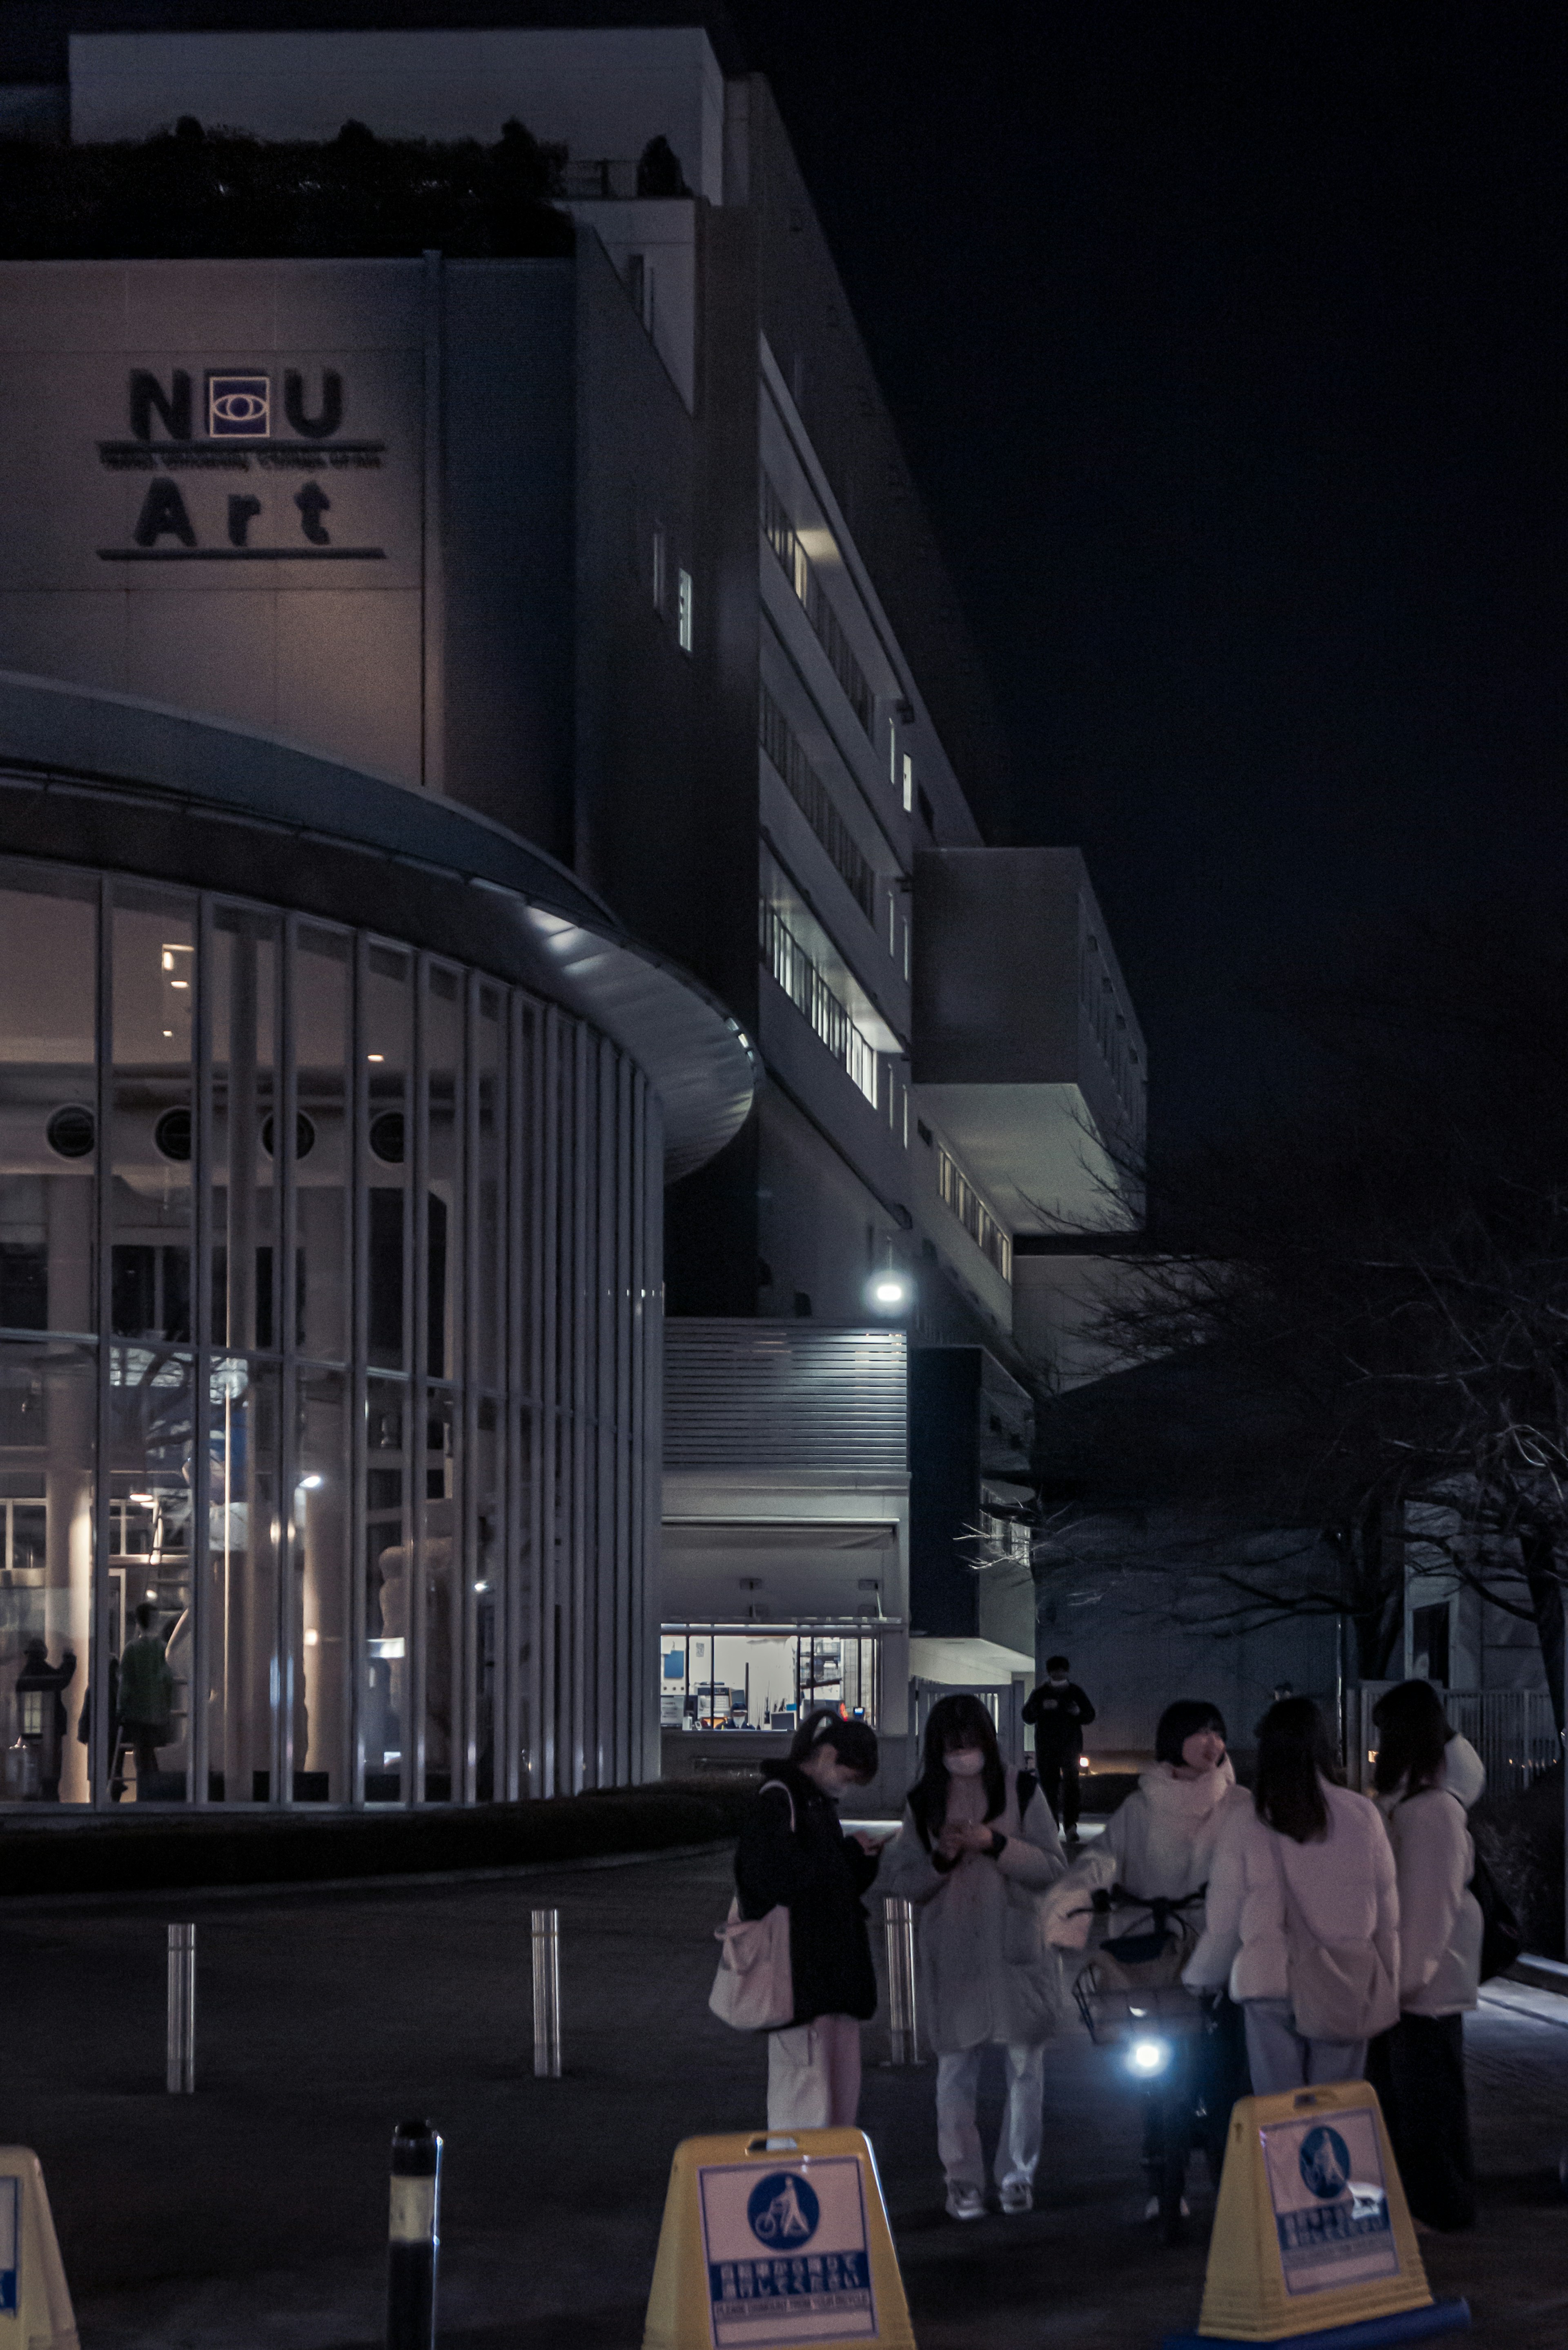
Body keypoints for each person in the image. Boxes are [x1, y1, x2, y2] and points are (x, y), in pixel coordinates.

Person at [1044, 1699, 1251, 2214]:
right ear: (1172, 1740)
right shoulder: (1140, 1807)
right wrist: (1079, 1894)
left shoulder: (1240, 1804)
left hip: (1221, 1955)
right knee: (1156, 2073)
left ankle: (1233, 2182)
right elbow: (1103, 1857)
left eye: (1218, 1732)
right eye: (1200, 1732)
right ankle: (1162, 2171)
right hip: (1155, 1960)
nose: (1213, 1743)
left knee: (1226, 2071)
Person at [881, 1694, 1067, 2220]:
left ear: (988, 1739)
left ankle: (1017, 2175)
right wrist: (941, 1857)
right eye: (952, 1743)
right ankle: (962, 2179)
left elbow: (1054, 1866)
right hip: (955, 1953)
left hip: (1017, 1953)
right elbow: (906, 1882)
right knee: (954, 2073)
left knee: (1026, 2071)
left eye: (970, 1741)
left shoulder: (1022, 1788)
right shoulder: (923, 1801)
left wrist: (994, 1842)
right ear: (936, 1746)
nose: (963, 1753)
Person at [1184, 1697, 1399, 2093]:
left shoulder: (1246, 1819)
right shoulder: (1362, 1815)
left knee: (1280, 2113)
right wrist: (1387, 1977)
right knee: (1336, 2113)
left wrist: (1203, 1977)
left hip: (1267, 1984)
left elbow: (1224, 1917)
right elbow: (1387, 1914)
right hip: (1343, 1982)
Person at [1365, 1680, 1483, 2232]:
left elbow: (1430, 1909)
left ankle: (1441, 2204)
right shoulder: (1420, 1802)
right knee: (1428, 2097)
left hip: (1422, 1987)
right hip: (1420, 1983)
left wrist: (1404, 1982)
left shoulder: (1431, 1810)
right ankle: (1442, 2200)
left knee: (1426, 2101)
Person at [733, 1706, 882, 2128]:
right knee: (804, 2097)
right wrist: (847, 1857)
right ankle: (798, 2182)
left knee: (830, 2094)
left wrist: (857, 1861)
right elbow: (775, 1878)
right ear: (827, 1754)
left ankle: (820, 2183)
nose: (847, 1786)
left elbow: (826, 1882)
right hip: (799, 1976)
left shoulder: (813, 1801)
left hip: (825, 1978)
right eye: (849, 1775)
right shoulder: (781, 1798)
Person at [1021, 1655, 1096, 1841]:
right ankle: (1051, 1826)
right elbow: (1027, 1716)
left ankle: (1070, 1826)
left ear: (1066, 1671)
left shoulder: (1075, 1692)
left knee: (1071, 1788)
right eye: (1055, 1670)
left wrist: (1077, 1712)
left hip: (1070, 1747)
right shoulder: (1040, 1694)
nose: (1058, 1673)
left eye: (1061, 1670)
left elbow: (1089, 1715)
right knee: (1048, 1789)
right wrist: (1039, 1708)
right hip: (1048, 1749)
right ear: (1049, 1672)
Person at [116, 1603, 175, 1795]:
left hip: (138, 1715)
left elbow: (126, 1684)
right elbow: (168, 1680)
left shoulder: (132, 1650)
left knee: (142, 1758)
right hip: (158, 1713)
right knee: (157, 1757)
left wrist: (122, 1709)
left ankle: (145, 1794)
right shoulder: (163, 1650)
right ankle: (156, 1795)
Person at [14, 1639, 77, 1801]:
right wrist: (69, 1660)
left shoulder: (24, 1677)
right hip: (51, 1729)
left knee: (33, 1770)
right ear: (44, 1654)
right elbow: (62, 1679)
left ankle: (33, 1801)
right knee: (51, 1772)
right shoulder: (45, 1672)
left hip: (31, 1732)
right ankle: (50, 1800)